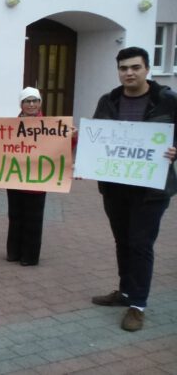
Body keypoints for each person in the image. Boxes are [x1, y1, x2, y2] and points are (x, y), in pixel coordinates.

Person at [90, 46, 176, 332]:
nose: (129, 73)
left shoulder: (167, 101)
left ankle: (137, 305)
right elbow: (97, 136)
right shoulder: (109, 100)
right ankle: (125, 292)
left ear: (147, 69)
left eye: (135, 67)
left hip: (151, 190)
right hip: (115, 186)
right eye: (124, 68)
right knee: (123, 241)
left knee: (140, 244)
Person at [6, 87, 46, 266]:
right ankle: (13, 252)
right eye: (27, 101)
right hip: (14, 178)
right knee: (15, 216)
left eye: (34, 101)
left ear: (39, 103)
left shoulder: (50, 126)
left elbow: (62, 148)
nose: (31, 104)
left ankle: (29, 256)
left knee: (33, 218)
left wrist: (73, 137)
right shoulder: (10, 126)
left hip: (37, 181)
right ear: (21, 104)